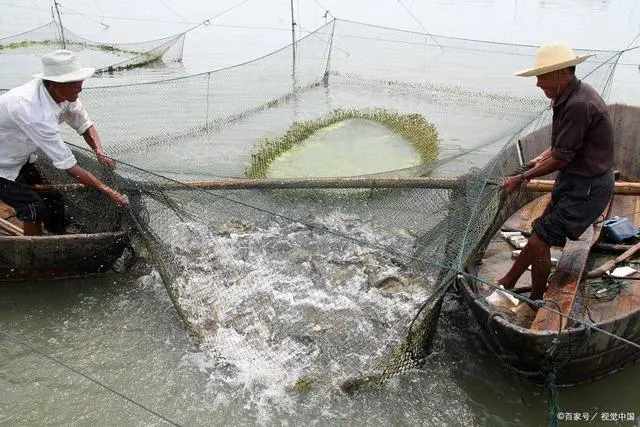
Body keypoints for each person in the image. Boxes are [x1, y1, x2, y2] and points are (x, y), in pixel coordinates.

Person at [498, 42, 615, 308]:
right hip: (574, 180)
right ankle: (508, 280)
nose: (538, 84)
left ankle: (536, 301)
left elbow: (562, 157)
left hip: (588, 188)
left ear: (562, 73)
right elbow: (562, 147)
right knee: (542, 229)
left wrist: (522, 178)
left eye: (542, 76)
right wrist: (540, 158)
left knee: (540, 239)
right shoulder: (569, 96)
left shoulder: (579, 104)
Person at [0, 49, 128, 236]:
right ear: (53, 84)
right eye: (74, 84)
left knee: (54, 198)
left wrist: (98, 151)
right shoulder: (32, 109)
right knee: (33, 207)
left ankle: (58, 237)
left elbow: (84, 124)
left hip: (21, 156)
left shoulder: (66, 95)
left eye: (80, 82)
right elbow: (68, 165)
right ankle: (35, 253)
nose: (80, 88)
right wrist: (106, 190)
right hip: (2, 166)